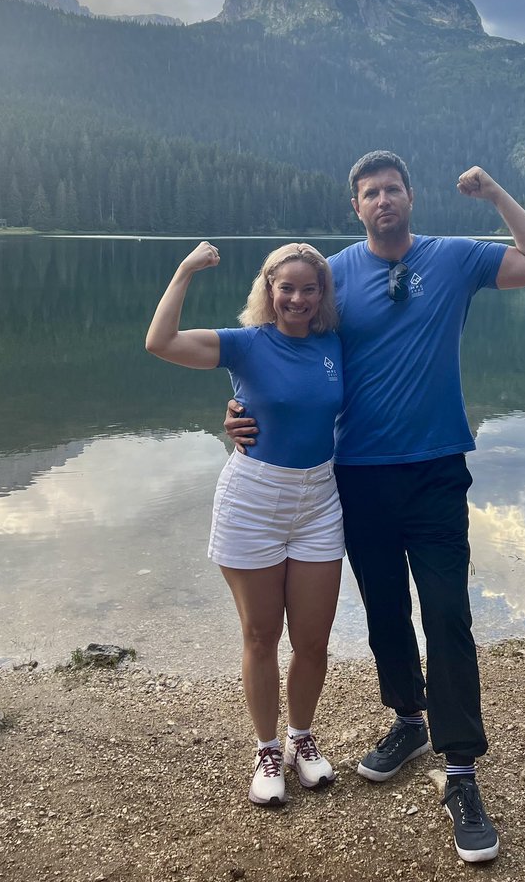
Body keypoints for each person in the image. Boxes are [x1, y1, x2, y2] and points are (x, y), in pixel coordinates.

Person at [225, 152, 525, 863]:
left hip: (437, 469)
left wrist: (496, 193)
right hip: (358, 475)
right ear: (356, 206)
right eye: (370, 193)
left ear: (411, 197)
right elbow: (279, 350)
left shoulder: (455, 258)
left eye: (392, 189)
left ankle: (463, 773)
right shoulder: (335, 277)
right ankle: (407, 718)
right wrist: (238, 413)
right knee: (384, 611)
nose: (383, 200)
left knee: (446, 612)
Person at [146, 241, 344, 808]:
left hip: (319, 501)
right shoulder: (246, 344)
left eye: (310, 288)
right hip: (253, 500)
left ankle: (302, 740)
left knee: (313, 639)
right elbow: (160, 342)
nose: (298, 298)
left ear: (322, 294)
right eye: (287, 288)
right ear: (268, 290)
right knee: (261, 635)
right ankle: (265, 748)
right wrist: (184, 270)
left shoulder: (335, 344)